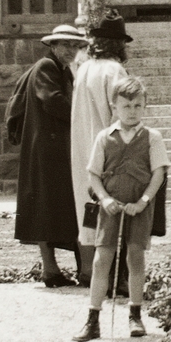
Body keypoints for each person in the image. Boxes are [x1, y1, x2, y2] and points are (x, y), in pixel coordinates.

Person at [74, 76, 169, 342]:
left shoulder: (152, 137)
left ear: (145, 106)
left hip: (138, 208)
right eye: (126, 106)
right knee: (101, 259)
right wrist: (104, 199)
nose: (132, 112)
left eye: (138, 106)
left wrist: (143, 202)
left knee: (135, 258)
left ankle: (135, 315)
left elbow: (158, 173)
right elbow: (93, 174)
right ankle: (92, 320)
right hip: (111, 208)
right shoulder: (104, 137)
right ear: (114, 106)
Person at [12, 23, 87, 287]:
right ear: (53, 46)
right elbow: (52, 100)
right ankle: (51, 269)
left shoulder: (62, 69)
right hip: (46, 150)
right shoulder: (47, 67)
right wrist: (83, 117)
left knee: (56, 208)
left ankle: (58, 269)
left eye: (76, 46)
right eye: (65, 45)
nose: (71, 50)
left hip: (54, 148)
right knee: (46, 207)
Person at [71, 15, 132, 288]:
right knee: (113, 211)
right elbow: (121, 114)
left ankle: (88, 272)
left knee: (88, 211)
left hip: (83, 146)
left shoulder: (83, 69)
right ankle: (115, 277)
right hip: (108, 149)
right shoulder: (115, 71)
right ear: (118, 45)